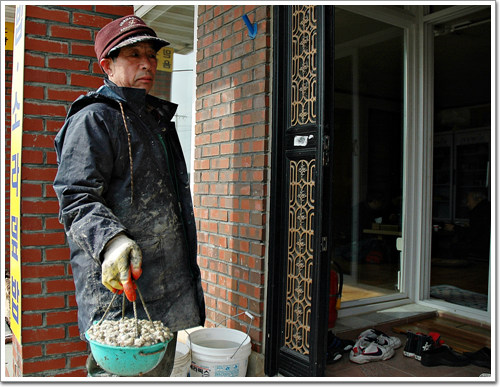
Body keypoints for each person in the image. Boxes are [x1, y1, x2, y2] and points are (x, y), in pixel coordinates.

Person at [53, 15, 205, 376]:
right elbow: (76, 196)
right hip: (120, 286)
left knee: (158, 370)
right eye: (133, 54)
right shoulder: (95, 119)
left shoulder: (155, 120)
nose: (147, 63)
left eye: (151, 55)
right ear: (107, 66)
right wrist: (112, 240)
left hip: (165, 287)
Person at [444, 191, 491, 260]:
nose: (467, 204)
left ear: (478, 200)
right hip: (487, 244)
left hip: (482, 246)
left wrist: (455, 228)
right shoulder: (488, 208)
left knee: (454, 246)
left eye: (469, 201)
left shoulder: (478, 212)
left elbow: (473, 234)